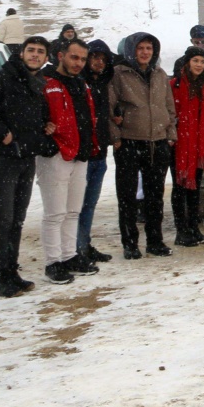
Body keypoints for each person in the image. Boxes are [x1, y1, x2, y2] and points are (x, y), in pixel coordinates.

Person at [0, 35, 54, 295]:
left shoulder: (37, 83)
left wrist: (45, 126)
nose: (35, 55)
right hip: (2, 160)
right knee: (3, 219)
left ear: (46, 58)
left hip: (25, 159)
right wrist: (0, 132)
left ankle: (12, 272)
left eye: (40, 52)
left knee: (17, 219)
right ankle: (0, 277)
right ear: (21, 53)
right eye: (31, 50)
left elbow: (32, 117)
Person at [109, 32, 178, 257]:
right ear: (131, 50)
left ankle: (155, 241)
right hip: (129, 141)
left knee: (155, 196)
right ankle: (130, 244)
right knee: (127, 197)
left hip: (157, 142)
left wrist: (170, 134)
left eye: (149, 48)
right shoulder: (119, 74)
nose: (145, 52)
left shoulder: (160, 74)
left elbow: (169, 108)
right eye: (140, 48)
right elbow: (109, 108)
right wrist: (116, 137)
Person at [38, 39, 99, 282]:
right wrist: (47, 139)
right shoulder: (45, 83)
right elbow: (34, 115)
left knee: (73, 211)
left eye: (82, 59)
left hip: (80, 153)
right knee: (55, 213)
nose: (79, 63)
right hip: (55, 154)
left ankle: (69, 255)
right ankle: (53, 262)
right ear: (61, 56)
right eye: (74, 57)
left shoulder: (81, 84)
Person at [169, 48, 204, 247]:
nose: (199, 65)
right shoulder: (175, 84)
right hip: (180, 144)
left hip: (198, 144)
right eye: (195, 60)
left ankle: (193, 226)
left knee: (195, 187)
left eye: (202, 61)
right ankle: (181, 230)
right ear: (187, 62)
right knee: (179, 187)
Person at [76, 39, 117, 262]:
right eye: (95, 57)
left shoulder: (102, 83)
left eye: (103, 59)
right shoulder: (78, 83)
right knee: (75, 206)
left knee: (89, 204)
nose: (99, 62)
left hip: (99, 152)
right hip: (81, 154)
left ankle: (84, 243)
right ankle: (74, 248)